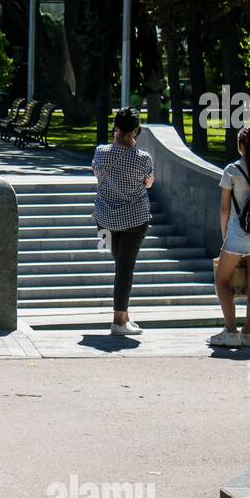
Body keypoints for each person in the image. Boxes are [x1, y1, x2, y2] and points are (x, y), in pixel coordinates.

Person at [210, 125, 250, 348]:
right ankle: (248, 333)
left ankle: (230, 331)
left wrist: (225, 237)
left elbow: (224, 209)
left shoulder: (232, 170)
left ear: (241, 146)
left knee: (221, 279)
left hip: (240, 230)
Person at [92, 107, 155, 335]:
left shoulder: (101, 152)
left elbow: (98, 176)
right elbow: (149, 184)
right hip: (134, 220)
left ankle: (124, 315)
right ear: (135, 130)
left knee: (121, 265)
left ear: (116, 128)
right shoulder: (142, 158)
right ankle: (119, 321)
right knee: (125, 268)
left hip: (104, 219)